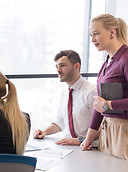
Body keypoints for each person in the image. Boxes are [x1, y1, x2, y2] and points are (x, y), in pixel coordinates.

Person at [81, 14, 128, 160]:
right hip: (108, 131)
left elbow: (103, 104)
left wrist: (108, 105)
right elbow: (99, 104)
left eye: (96, 34)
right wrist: (89, 137)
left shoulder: (125, 58)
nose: (92, 40)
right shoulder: (107, 62)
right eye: (90, 35)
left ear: (112, 32)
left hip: (123, 131)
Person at [33, 50, 97, 145]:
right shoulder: (65, 92)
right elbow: (61, 121)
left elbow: (103, 127)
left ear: (76, 66)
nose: (58, 70)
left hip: (89, 147)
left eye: (62, 66)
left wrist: (80, 140)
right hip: (68, 146)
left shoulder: (91, 92)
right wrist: (44, 132)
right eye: (57, 67)